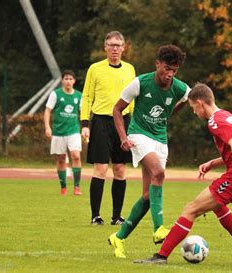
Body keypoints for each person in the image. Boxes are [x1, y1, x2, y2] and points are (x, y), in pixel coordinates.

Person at [133, 83, 232, 264]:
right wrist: (213, 163)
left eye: (193, 108)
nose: (194, 112)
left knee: (191, 209)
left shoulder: (215, 122)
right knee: (217, 204)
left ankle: (161, 256)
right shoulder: (228, 116)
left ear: (200, 103)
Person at [108, 44, 190, 258]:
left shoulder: (179, 87)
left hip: (160, 139)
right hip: (138, 135)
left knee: (147, 196)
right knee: (159, 173)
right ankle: (158, 229)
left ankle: (119, 237)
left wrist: (169, 113)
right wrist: (123, 137)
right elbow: (116, 109)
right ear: (157, 64)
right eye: (166, 69)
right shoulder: (140, 83)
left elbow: (189, 99)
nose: (170, 74)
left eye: (174, 70)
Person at [80, 31, 136, 226]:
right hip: (101, 122)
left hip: (123, 122)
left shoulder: (130, 69)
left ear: (123, 47)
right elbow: (86, 96)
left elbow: (132, 99)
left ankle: (117, 216)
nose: (114, 48)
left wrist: (133, 126)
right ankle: (96, 216)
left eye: (118, 45)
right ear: (105, 47)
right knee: (101, 168)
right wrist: (85, 124)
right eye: (111, 45)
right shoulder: (95, 69)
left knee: (120, 169)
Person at [44, 70, 82, 196]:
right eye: (66, 79)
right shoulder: (56, 94)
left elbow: (83, 113)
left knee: (76, 156)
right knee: (61, 159)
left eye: (70, 79)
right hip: (59, 132)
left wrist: (86, 128)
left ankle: (77, 186)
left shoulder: (78, 96)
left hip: (74, 131)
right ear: (62, 81)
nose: (68, 81)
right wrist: (47, 127)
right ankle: (63, 186)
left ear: (74, 81)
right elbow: (48, 111)